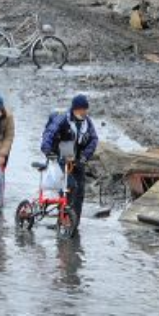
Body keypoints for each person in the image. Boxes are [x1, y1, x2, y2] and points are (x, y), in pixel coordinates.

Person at [40, 94, 99, 226]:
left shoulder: (87, 122)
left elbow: (94, 139)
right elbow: (49, 134)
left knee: (80, 191)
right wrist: (47, 151)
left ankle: (74, 223)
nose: (85, 112)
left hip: (78, 159)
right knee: (70, 186)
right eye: (83, 109)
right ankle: (63, 220)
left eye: (86, 109)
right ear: (75, 109)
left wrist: (85, 156)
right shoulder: (62, 120)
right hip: (61, 158)